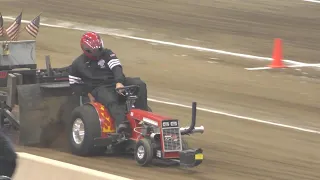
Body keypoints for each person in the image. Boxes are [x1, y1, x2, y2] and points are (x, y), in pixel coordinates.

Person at [69, 31, 148, 133]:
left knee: (139, 84)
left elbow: (116, 67)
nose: (98, 51)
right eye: (95, 50)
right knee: (111, 99)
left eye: (99, 48)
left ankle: (143, 117)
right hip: (99, 88)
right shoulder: (78, 64)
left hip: (116, 82)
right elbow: (74, 84)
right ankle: (122, 124)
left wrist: (119, 82)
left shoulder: (107, 53)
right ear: (87, 50)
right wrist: (87, 94)